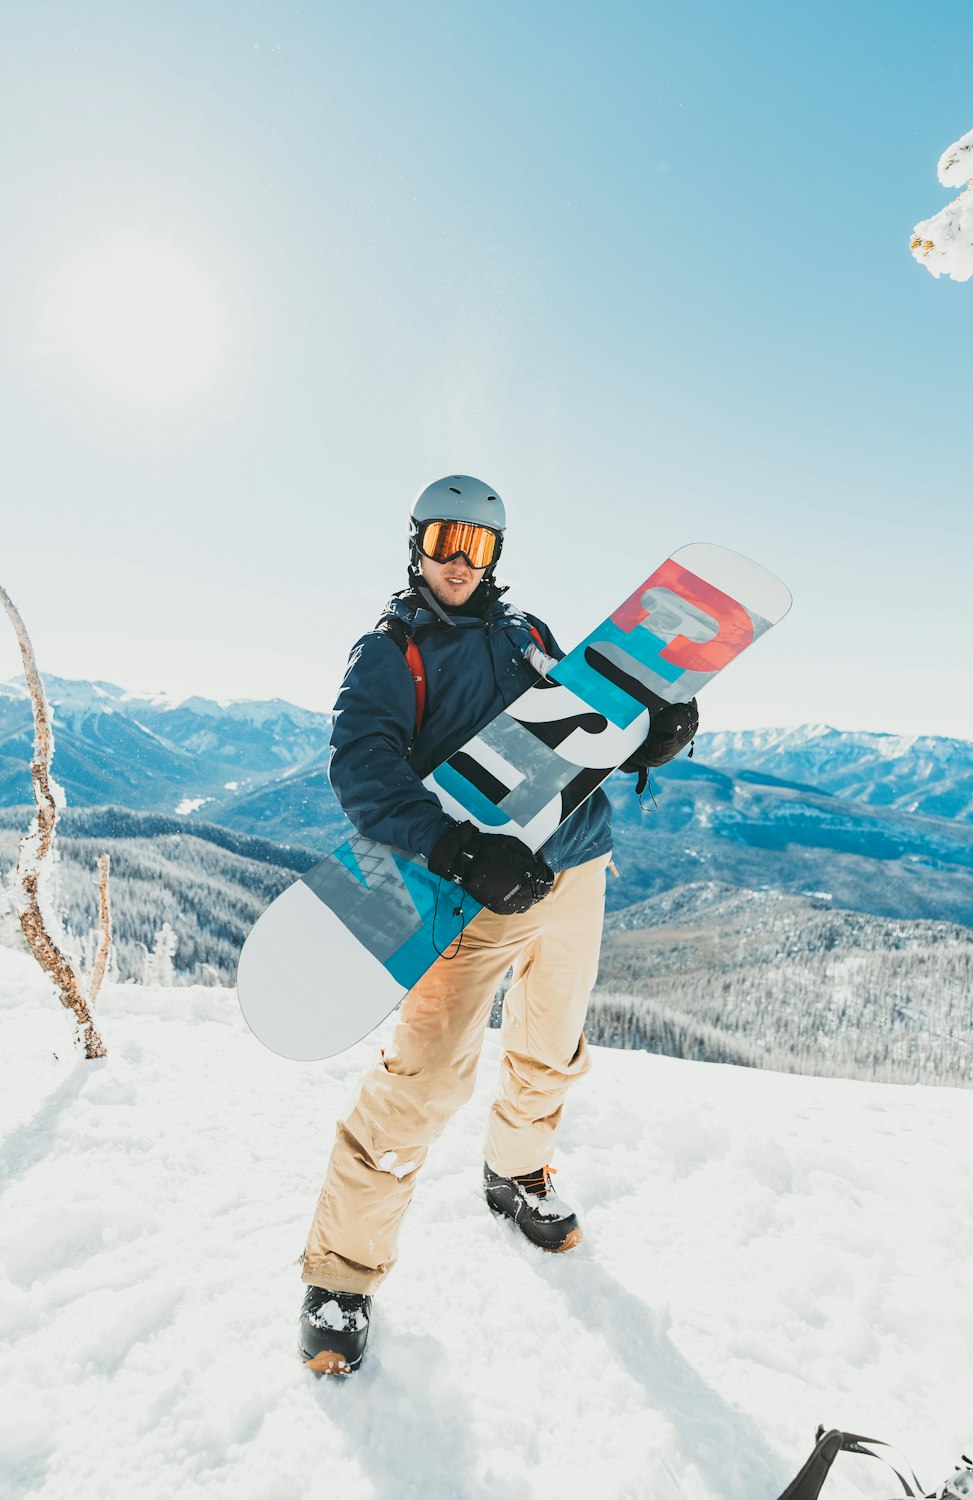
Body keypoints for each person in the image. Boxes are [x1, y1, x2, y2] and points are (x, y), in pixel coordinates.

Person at [298, 475, 697, 1375]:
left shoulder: (533, 637)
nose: (455, 561)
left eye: (474, 546)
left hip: (578, 867)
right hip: (467, 894)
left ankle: (517, 1170)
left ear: (495, 556)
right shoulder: (391, 652)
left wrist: (651, 738)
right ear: (414, 544)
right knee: (425, 1080)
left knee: (551, 1046)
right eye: (442, 540)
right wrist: (454, 850)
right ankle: (341, 1275)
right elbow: (362, 768)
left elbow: (580, 736)